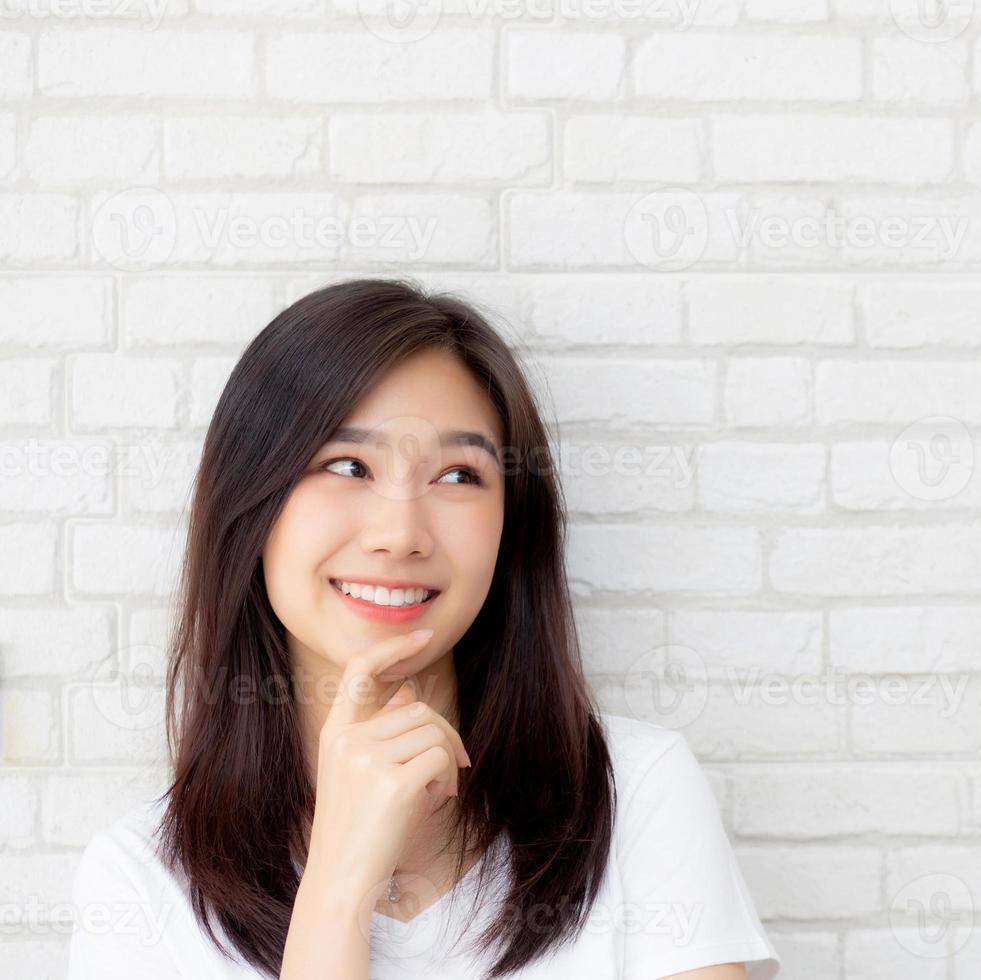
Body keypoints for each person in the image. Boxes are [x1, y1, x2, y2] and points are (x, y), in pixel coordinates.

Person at [64, 278, 780, 980]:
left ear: (510, 526)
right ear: (250, 503)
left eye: (459, 476)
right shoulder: (139, 889)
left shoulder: (634, 795)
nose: (400, 534)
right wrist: (336, 894)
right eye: (347, 465)